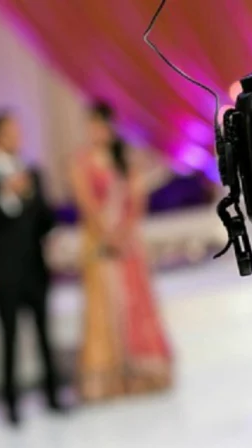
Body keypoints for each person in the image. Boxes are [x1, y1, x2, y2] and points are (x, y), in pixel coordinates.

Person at [70, 101, 172, 401]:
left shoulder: (126, 162)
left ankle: (142, 373)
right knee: (104, 309)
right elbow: (86, 204)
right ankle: (109, 378)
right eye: (93, 125)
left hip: (128, 245)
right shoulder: (81, 163)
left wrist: (123, 233)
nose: (98, 131)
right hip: (99, 245)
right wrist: (107, 235)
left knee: (135, 304)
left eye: (102, 125)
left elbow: (137, 203)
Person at [0, 110, 63, 426]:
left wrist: (46, 216)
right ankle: (11, 403)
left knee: (44, 335)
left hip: (35, 266)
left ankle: (52, 395)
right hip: (4, 271)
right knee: (8, 337)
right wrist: (6, 194)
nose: (17, 137)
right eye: (10, 131)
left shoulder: (32, 172)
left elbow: (45, 218)